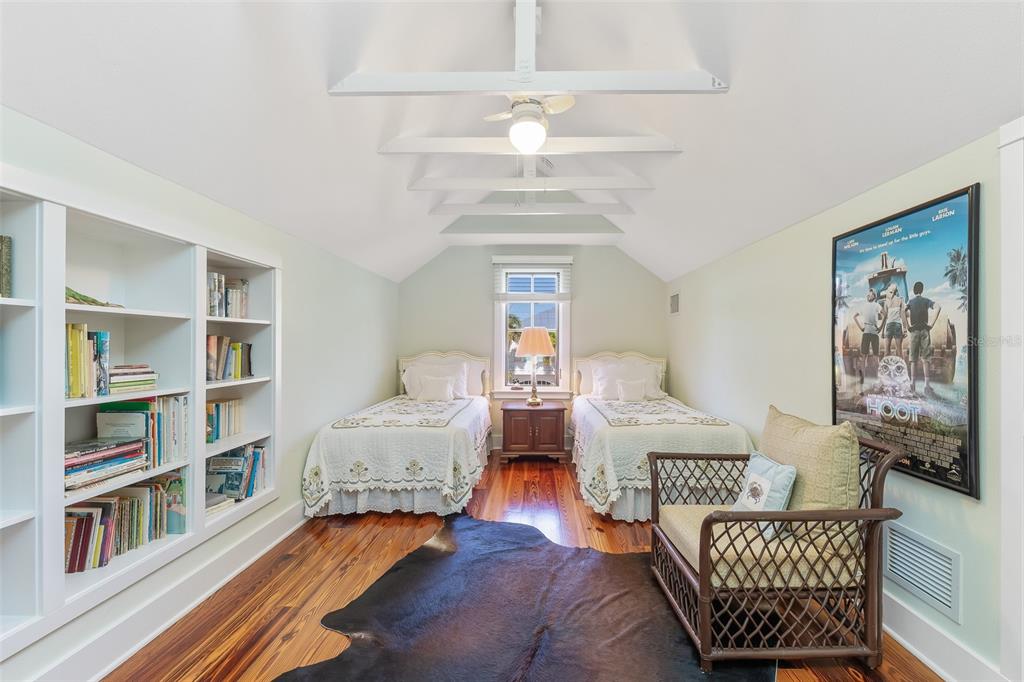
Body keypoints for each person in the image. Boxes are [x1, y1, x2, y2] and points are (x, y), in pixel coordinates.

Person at [905, 280, 941, 394]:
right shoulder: (926, 301)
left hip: (914, 331)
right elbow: (938, 307)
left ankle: (912, 384)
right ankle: (926, 386)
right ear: (922, 290)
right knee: (925, 359)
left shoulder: (910, 302)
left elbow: (902, 311)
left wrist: (907, 326)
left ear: (914, 290)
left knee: (913, 359)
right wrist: (931, 324)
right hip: (925, 331)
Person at [852, 288, 883, 390]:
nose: (868, 296)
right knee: (863, 357)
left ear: (874, 296)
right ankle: (862, 380)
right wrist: (861, 327)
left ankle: (879, 379)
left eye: (870, 295)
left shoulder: (877, 305)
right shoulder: (864, 306)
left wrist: (881, 327)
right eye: (868, 295)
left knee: (876, 358)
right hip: (866, 333)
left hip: (874, 333)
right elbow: (854, 316)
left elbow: (885, 314)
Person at [882, 284, 905, 359]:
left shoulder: (886, 302)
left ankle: (885, 369)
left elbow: (885, 318)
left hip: (889, 326)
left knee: (886, 351)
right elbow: (903, 315)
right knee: (899, 351)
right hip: (898, 325)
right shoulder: (900, 300)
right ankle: (901, 369)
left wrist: (882, 331)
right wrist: (905, 329)